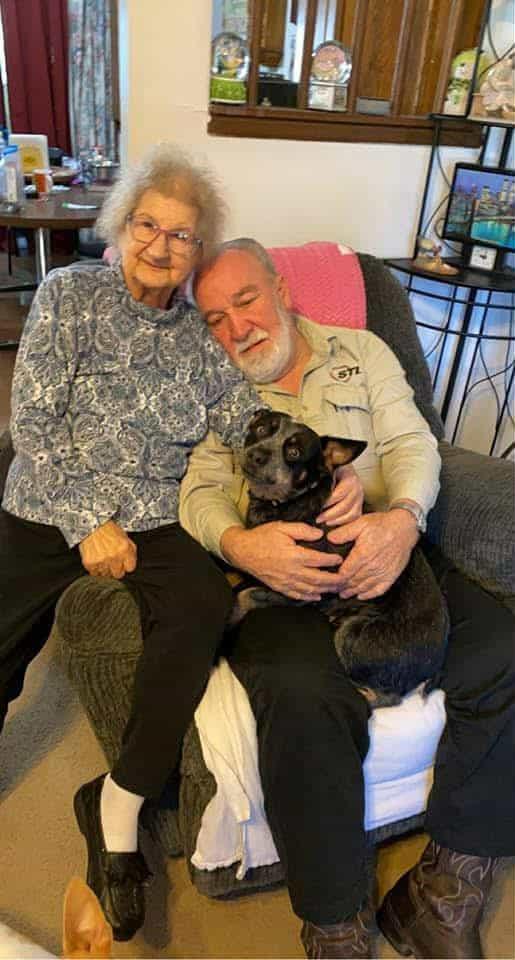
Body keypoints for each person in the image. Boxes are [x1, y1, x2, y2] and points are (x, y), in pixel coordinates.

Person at [179, 238, 515, 960]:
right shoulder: (213, 387)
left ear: (281, 290)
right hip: (284, 574)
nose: (237, 327)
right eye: (214, 319)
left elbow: (413, 443)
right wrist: (240, 545)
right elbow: (198, 489)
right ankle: (335, 923)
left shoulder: (361, 350)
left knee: (503, 649)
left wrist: (401, 520)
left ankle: (440, 896)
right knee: (303, 695)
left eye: (246, 301)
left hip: (390, 551)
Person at [0, 148, 271, 942]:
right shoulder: (69, 295)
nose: (159, 245)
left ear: (198, 250)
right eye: (147, 225)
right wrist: (88, 521)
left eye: (181, 235)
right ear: (121, 226)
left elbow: (244, 421)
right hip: (49, 502)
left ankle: (119, 808)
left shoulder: (199, 340)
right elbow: (33, 425)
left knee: (202, 603)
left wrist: (319, 429)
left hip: (153, 518)